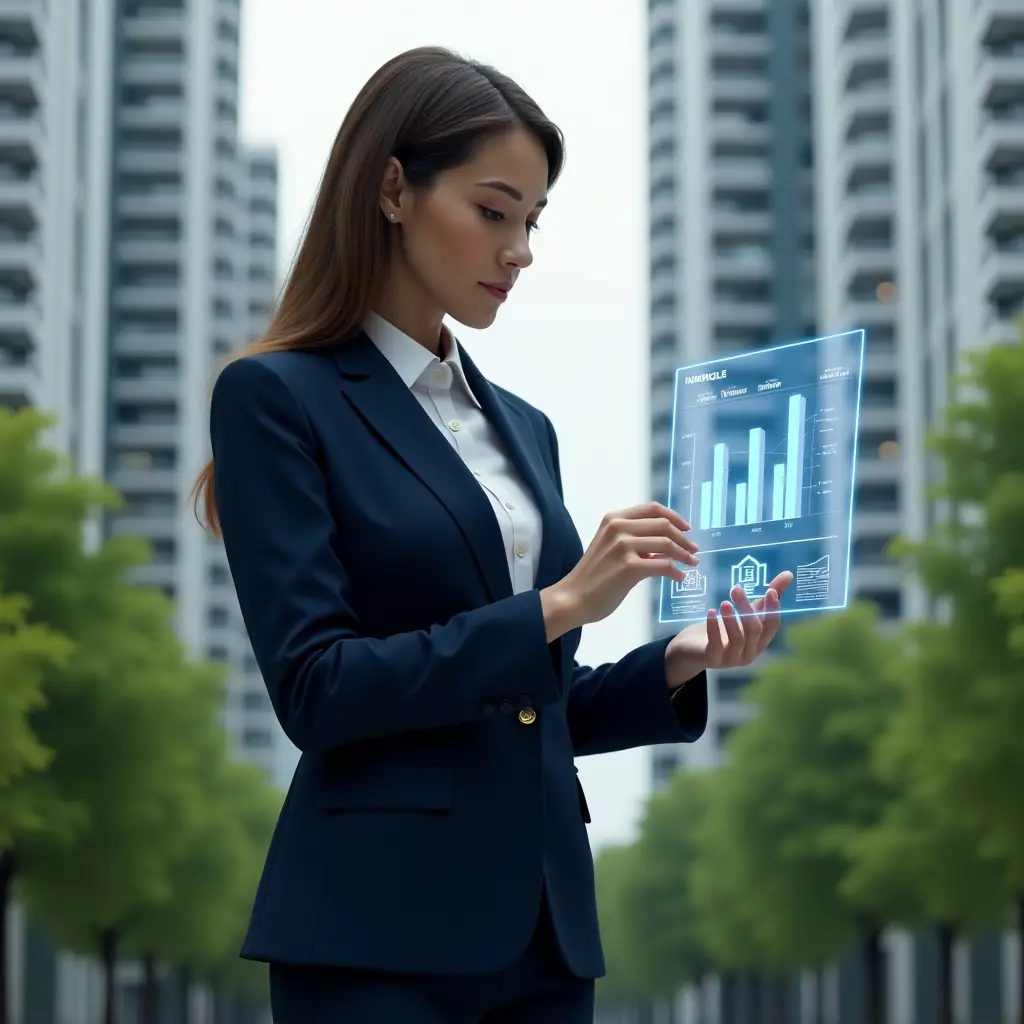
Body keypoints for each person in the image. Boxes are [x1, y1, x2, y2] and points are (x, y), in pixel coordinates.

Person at [194, 45, 792, 1024]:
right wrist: (559, 603)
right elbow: (317, 686)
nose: (519, 249)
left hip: (544, 934)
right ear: (393, 188)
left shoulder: (523, 428)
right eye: (493, 210)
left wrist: (673, 665)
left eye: (532, 222)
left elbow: (530, 705)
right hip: (372, 933)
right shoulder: (275, 398)